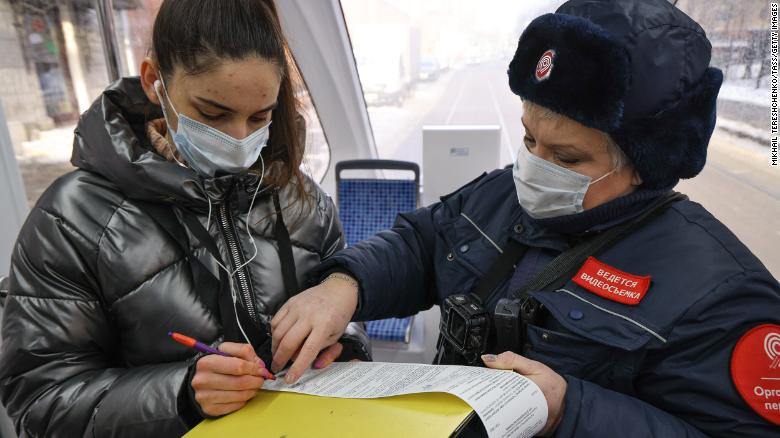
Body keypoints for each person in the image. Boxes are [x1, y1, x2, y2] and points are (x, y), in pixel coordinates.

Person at [271, 0, 780, 436]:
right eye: (529, 139)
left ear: (646, 167)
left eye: (567, 159)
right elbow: (423, 244)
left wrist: (568, 410)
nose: (534, 167)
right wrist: (344, 284)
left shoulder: (720, 292)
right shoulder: (500, 195)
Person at [0, 0, 369, 436]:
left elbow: (347, 318)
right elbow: (39, 399)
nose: (238, 140)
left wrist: (341, 342)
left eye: (260, 117)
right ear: (155, 81)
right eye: (212, 115)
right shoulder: (72, 220)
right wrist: (180, 393)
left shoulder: (305, 201)